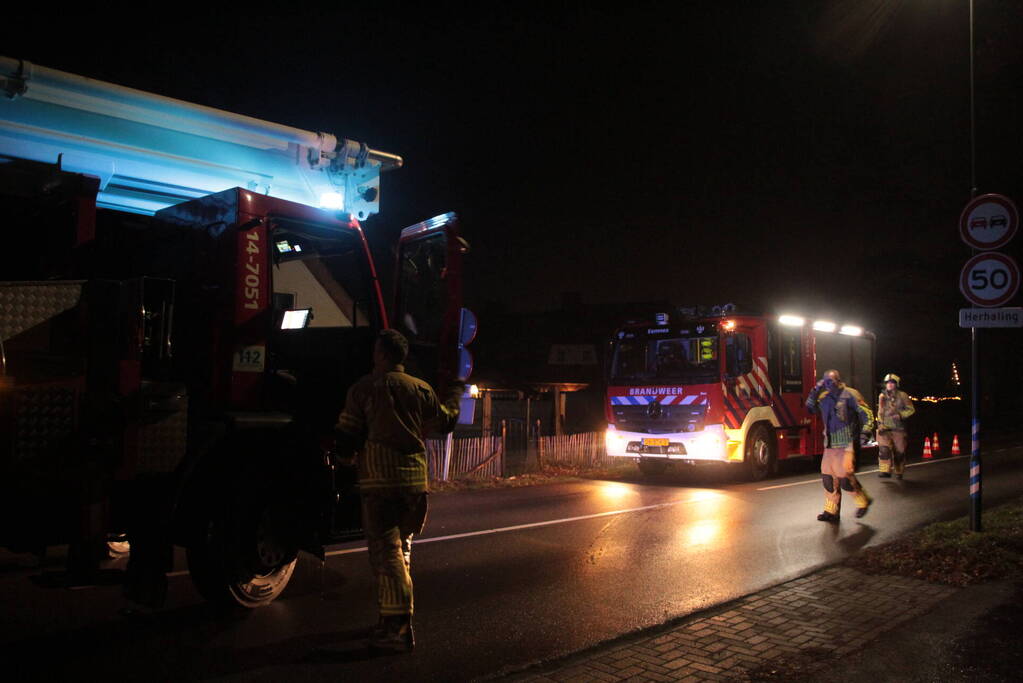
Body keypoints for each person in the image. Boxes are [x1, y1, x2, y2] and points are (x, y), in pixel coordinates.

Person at [335, 329, 463, 652]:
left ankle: (398, 627)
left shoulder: (365, 388)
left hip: (381, 482)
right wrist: (454, 395)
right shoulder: (421, 389)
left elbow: (347, 435)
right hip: (415, 485)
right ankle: (389, 619)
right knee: (401, 550)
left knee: (385, 553)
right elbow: (445, 421)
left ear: (381, 354)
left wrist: (342, 460)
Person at [805, 369, 874, 522]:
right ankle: (831, 511)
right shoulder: (824, 398)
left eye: (832, 381)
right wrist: (815, 390)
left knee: (845, 480)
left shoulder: (850, 394)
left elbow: (867, 414)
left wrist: (865, 433)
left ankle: (863, 501)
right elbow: (810, 408)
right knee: (828, 479)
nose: (829, 385)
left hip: (847, 444)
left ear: (838, 380)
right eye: (826, 382)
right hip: (829, 445)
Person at [876, 373, 915, 479]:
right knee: (884, 450)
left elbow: (911, 410)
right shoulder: (882, 396)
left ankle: (899, 470)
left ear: (896, 384)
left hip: (898, 428)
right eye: (888, 383)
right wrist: (880, 424)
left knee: (899, 452)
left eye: (892, 382)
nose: (890, 384)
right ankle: (885, 471)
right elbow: (880, 411)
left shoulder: (903, 395)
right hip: (885, 427)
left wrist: (900, 415)